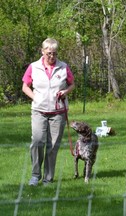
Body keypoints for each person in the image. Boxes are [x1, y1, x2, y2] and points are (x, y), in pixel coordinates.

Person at [22, 38, 75, 186]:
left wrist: (65, 91)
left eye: (55, 53)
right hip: (39, 110)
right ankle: (35, 175)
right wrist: (35, 97)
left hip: (58, 112)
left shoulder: (63, 67)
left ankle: (48, 178)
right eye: (49, 53)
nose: (52, 57)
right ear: (42, 51)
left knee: (53, 146)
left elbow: (72, 84)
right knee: (38, 141)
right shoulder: (33, 67)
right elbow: (25, 86)